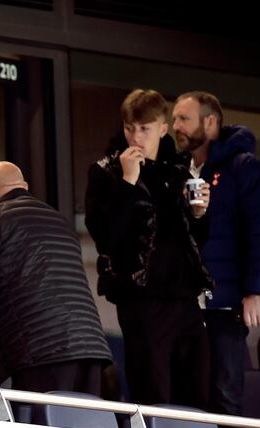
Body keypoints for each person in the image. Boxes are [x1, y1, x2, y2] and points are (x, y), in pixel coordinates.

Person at [0, 161, 112, 407]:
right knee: (83, 427)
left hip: (39, 351)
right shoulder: (61, 223)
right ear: (24, 186)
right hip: (90, 348)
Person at [85, 89, 213, 409]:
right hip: (140, 295)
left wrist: (199, 215)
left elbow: (193, 240)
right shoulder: (105, 171)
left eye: (144, 128)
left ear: (162, 128)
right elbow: (107, 237)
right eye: (130, 128)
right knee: (153, 392)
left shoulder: (177, 171)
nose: (136, 137)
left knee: (197, 392)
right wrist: (128, 184)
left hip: (184, 296)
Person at [172, 92, 260, 428]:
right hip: (184, 305)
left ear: (211, 123)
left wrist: (257, 291)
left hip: (226, 303)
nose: (176, 127)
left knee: (225, 397)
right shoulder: (177, 171)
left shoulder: (244, 167)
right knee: (185, 398)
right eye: (173, 119)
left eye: (183, 119)